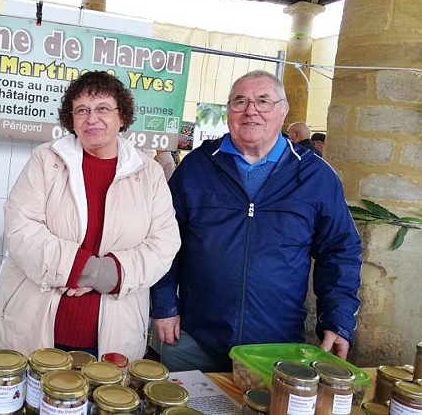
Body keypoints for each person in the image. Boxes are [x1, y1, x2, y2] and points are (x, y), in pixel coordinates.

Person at [151, 70, 362, 372]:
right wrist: (164, 306)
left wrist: (337, 320)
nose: (251, 110)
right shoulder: (197, 167)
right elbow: (164, 239)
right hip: (194, 337)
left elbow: (340, 251)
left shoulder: (315, 176)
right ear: (228, 112)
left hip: (277, 346)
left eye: (263, 101)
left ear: (283, 110)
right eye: (240, 101)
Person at [0, 70, 181, 359]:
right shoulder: (46, 160)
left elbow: (164, 244)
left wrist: (109, 274)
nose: (92, 118)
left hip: (115, 334)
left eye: (103, 108)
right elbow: (21, 227)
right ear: (71, 118)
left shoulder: (149, 173)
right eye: (82, 110)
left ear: (122, 117)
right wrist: (87, 271)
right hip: (36, 327)